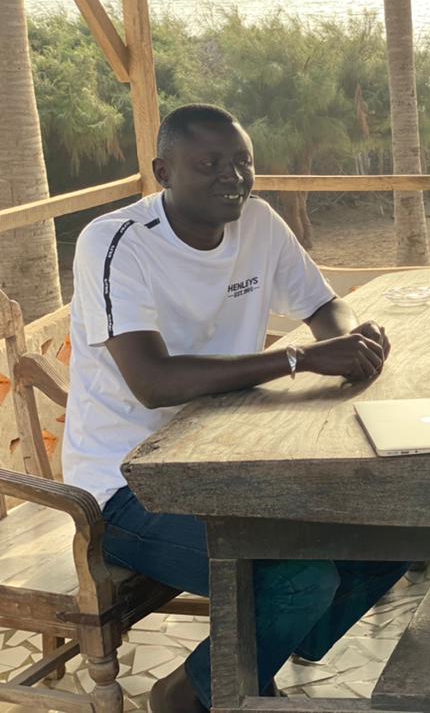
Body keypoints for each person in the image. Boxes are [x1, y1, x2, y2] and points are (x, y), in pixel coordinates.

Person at [64, 104, 408, 713]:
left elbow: (326, 305)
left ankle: (256, 659)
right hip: (126, 487)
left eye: (243, 162)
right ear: (163, 170)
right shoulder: (114, 244)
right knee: (299, 578)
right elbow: (153, 381)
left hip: (232, 455)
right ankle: (184, 695)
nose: (235, 177)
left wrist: (352, 341)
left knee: (394, 524)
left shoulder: (259, 223)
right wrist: (300, 360)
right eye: (211, 164)